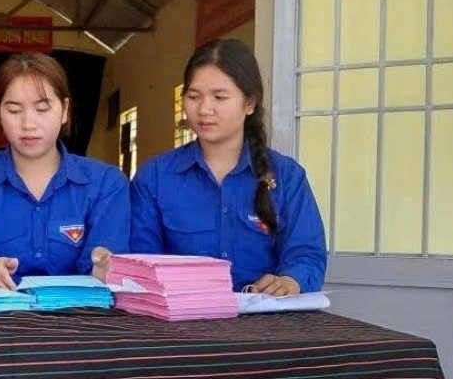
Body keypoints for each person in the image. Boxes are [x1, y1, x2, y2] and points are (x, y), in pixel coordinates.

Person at [130, 38, 327, 295]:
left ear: (250, 103)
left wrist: (291, 280)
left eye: (220, 97)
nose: (204, 109)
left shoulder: (287, 176)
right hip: (181, 324)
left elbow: (307, 253)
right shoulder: (154, 178)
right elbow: (141, 262)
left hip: (267, 323)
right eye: (193, 96)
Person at [0, 53, 129, 289]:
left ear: (64, 110)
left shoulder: (106, 183)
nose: (28, 123)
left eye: (42, 109)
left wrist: (105, 269)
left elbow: (104, 274)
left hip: (81, 320)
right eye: (13, 110)